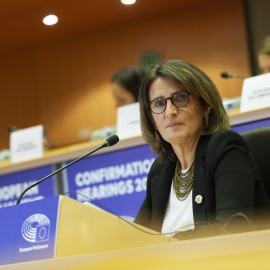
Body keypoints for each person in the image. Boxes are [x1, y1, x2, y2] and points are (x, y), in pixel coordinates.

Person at [134, 59, 270, 240]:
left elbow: (231, 229)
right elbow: (136, 236)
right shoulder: (161, 170)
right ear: (152, 120)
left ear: (205, 106)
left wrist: (169, 244)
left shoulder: (224, 148)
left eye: (180, 98)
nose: (170, 111)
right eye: (159, 103)